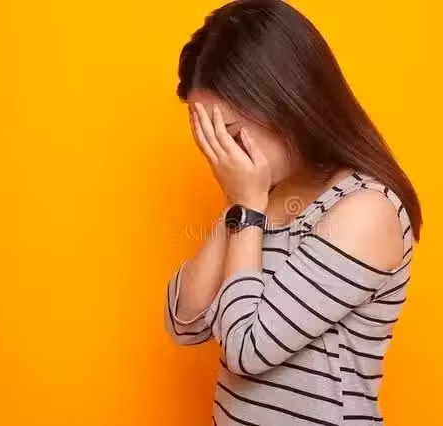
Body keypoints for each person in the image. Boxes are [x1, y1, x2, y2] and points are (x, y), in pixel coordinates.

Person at [165, 1, 423, 424]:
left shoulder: (365, 209)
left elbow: (248, 349)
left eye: (229, 135)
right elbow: (184, 322)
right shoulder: (260, 195)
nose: (223, 155)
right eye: (210, 140)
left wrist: (247, 208)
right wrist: (240, 202)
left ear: (286, 103)